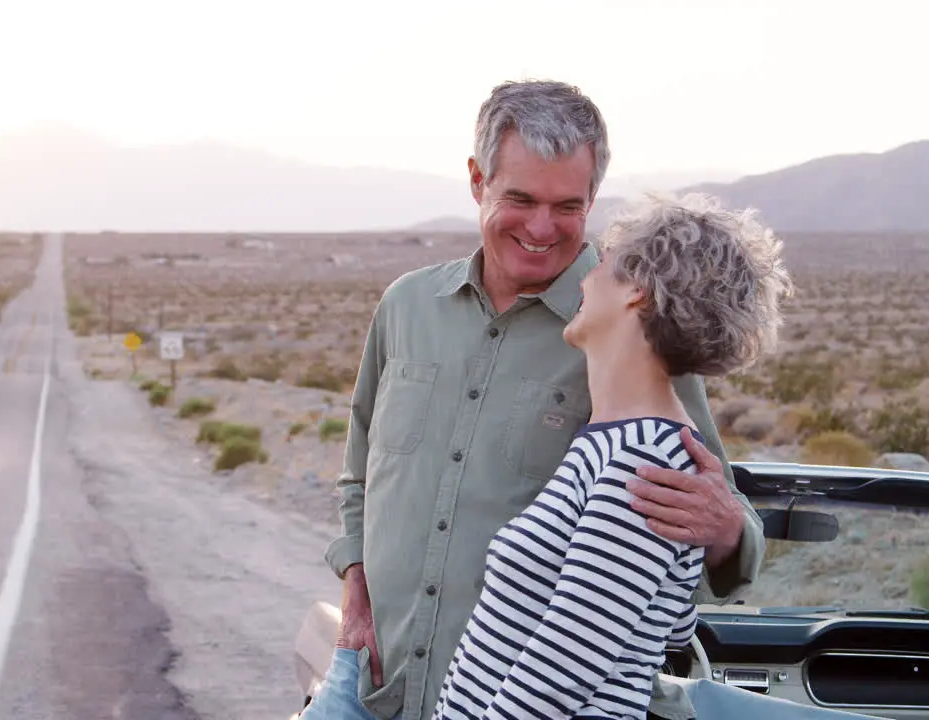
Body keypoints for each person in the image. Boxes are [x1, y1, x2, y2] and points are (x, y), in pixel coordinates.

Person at [302, 79, 767, 720]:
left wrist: (726, 529)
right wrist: (356, 583)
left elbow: (702, 507)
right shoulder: (406, 307)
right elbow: (361, 471)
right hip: (378, 684)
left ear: (592, 198)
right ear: (476, 180)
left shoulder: (636, 335)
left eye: (567, 206)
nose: (543, 228)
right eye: (520, 199)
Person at [431, 191, 793, 719]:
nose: (583, 280)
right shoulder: (616, 442)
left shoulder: (645, 456)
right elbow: (665, 623)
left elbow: (559, 676)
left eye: (602, 267)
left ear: (638, 294)